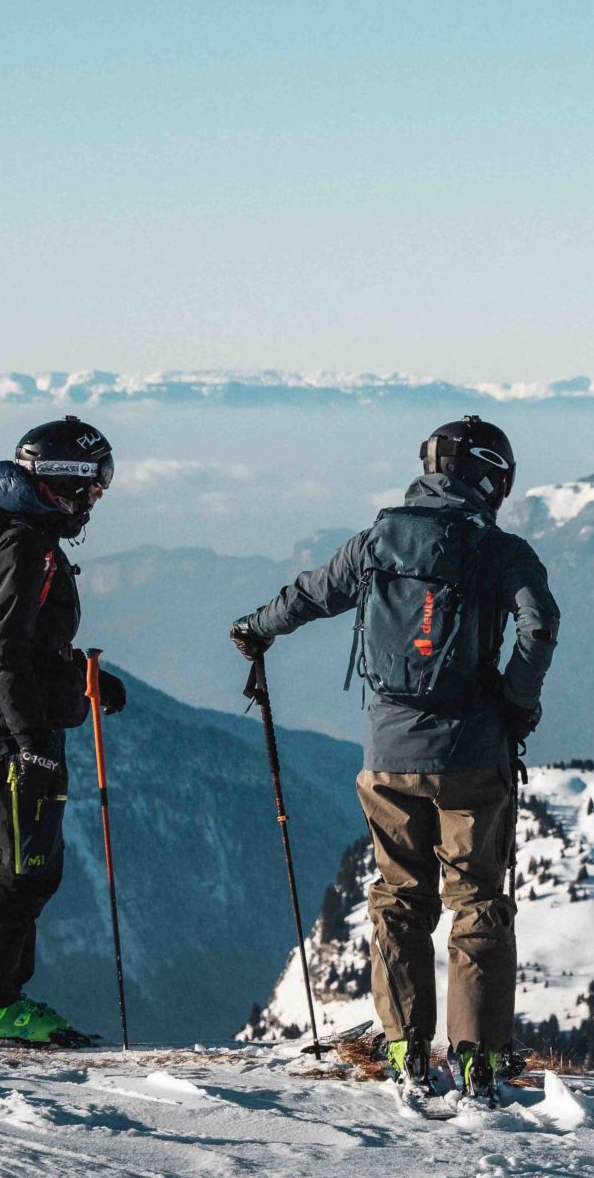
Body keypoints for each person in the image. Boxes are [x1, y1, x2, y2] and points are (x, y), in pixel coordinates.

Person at [230, 416, 558, 1109]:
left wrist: (255, 629)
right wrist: (515, 702)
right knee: (477, 903)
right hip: (471, 755)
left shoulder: (376, 540)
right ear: (491, 478)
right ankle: (477, 1061)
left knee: (399, 899)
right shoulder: (500, 549)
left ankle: (406, 1045)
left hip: (386, 755)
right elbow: (538, 622)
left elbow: (310, 594)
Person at [0, 415, 125, 1044]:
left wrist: (82, 675)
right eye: (93, 486)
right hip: (13, 736)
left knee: (33, 866)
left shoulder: (31, 540)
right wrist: (34, 743)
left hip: (19, 730)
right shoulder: (26, 546)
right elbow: (0, 652)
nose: (96, 500)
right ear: (65, 480)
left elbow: (31, 644)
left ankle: (1, 998)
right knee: (23, 870)